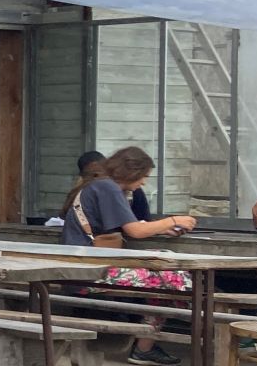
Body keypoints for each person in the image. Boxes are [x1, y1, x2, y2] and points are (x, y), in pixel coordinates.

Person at [61, 147, 196, 366]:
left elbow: (127, 227)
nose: (144, 182)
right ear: (132, 172)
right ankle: (200, 319)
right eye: (144, 176)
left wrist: (160, 229)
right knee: (176, 277)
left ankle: (145, 346)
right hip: (86, 272)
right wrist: (172, 220)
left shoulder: (99, 186)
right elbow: (135, 231)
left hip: (83, 266)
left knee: (169, 267)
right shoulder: (108, 188)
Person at [78, 151, 151, 221]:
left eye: (103, 171)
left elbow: (144, 219)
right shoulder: (85, 194)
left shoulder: (134, 190)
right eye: (95, 175)